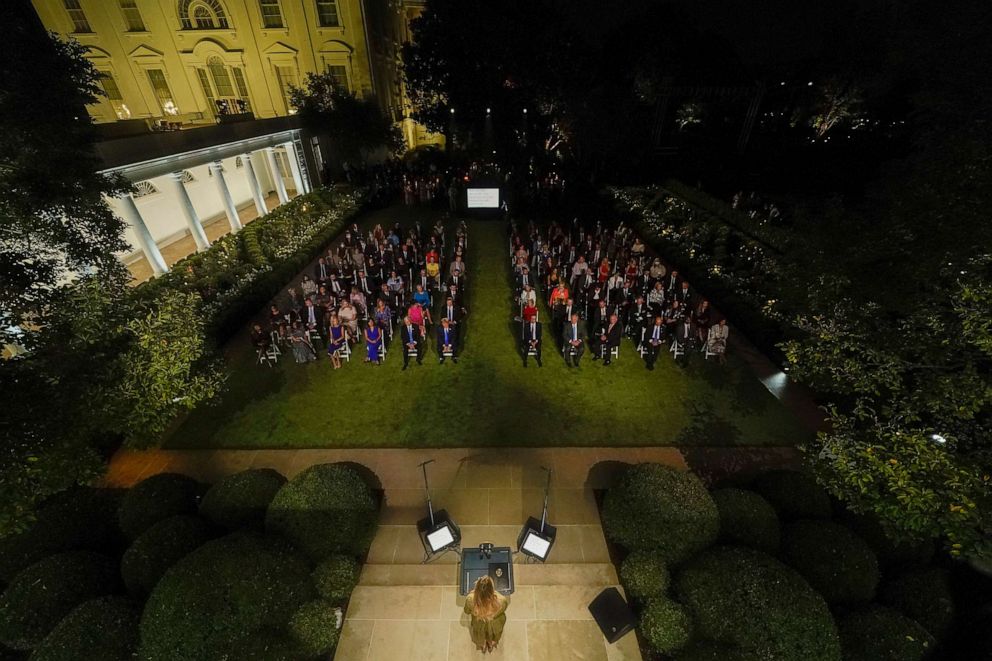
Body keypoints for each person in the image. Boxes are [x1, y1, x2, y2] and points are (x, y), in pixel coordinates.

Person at [464, 575, 508, 654]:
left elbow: (466, 611)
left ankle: (483, 646)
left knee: (480, 635)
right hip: (495, 625)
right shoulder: (501, 600)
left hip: (479, 624)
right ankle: (491, 645)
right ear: (491, 589)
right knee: (494, 635)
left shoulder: (470, 599)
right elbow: (504, 608)